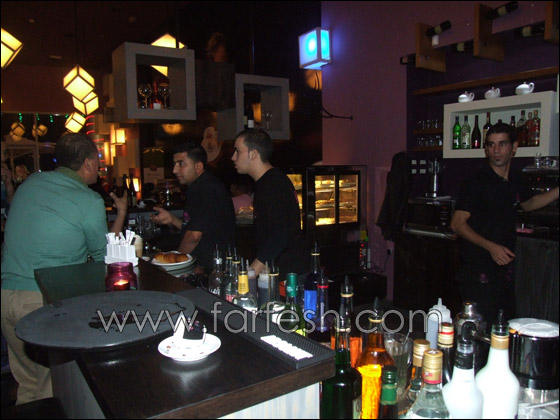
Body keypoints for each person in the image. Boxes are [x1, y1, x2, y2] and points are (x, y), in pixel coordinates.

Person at [1, 132, 128, 405]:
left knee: (27, 388)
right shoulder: (88, 200)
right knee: (52, 391)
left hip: (6, 296)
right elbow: (106, 257)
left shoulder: (30, 183)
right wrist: (121, 214)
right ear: (88, 164)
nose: (99, 167)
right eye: (97, 161)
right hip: (40, 301)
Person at [450, 122, 559, 325]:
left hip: (504, 269)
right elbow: (457, 224)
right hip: (477, 270)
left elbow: (529, 203)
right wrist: (491, 247)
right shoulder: (476, 182)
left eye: (502, 144)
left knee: (504, 327)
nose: (496, 150)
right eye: (491, 145)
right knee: (478, 330)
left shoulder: (516, 179)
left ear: (514, 147)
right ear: (486, 149)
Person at [231, 128, 308, 282]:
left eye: (237, 151)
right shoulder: (268, 181)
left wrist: (250, 274)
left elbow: (279, 235)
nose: (233, 157)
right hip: (281, 271)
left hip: (289, 275)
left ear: (253, 154)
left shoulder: (273, 184)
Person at [151, 143, 236, 273]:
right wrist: (172, 219)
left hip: (213, 269)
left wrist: (175, 264)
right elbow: (198, 227)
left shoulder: (206, 189)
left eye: (181, 164)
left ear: (198, 167)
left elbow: (193, 237)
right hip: (207, 265)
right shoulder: (200, 187)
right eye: (174, 164)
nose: (175, 170)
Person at [1, 137, 15, 245]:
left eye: (4, 153)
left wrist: (8, 184)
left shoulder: (5, 177)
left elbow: (12, 208)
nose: (3, 157)